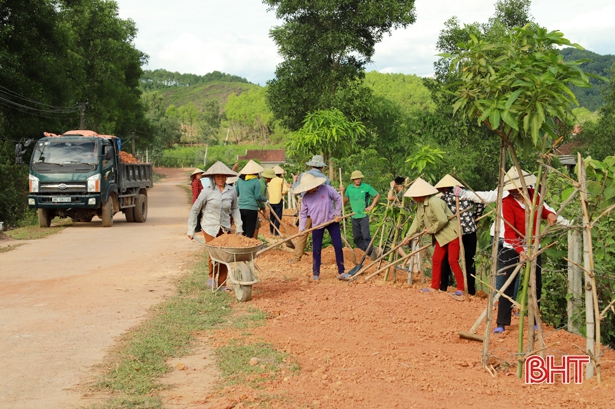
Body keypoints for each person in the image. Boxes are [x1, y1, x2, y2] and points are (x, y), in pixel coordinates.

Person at [491, 168, 557, 334]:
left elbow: (544, 211)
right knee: (508, 284)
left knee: (536, 284)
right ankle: (502, 322)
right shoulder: (507, 203)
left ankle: (535, 319)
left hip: (534, 246)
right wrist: (520, 250)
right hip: (512, 247)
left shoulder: (535, 196)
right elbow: (510, 231)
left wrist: (550, 214)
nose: (512, 191)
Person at [401, 177, 465, 300]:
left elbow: (443, 219)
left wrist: (430, 230)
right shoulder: (420, 206)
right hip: (441, 237)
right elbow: (417, 222)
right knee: (436, 259)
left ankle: (461, 289)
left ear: (421, 194)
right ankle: (434, 287)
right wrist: (407, 237)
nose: (413, 198)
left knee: (453, 261)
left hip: (451, 234)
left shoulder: (434, 202)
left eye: (414, 195)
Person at [187, 161, 243, 289]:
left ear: (226, 177)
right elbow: (195, 209)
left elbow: (235, 209)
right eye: (218, 176)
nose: (221, 179)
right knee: (214, 254)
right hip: (209, 227)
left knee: (224, 254)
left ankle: (222, 284)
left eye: (223, 176)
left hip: (224, 228)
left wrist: (239, 227)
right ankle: (211, 277)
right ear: (213, 177)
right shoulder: (207, 192)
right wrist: (191, 229)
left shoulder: (231, 191)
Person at [434, 174, 485, 295]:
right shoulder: (466, 194)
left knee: (448, 259)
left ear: (444, 188)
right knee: (469, 260)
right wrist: (476, 215)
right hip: (469, 229)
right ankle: (471, 290)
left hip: (453, 232)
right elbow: (481, 201)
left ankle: (443, 286)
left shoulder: (443, 198)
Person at [294, 173, 344, 280]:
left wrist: (337, 214)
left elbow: (338, 198)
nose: (310, 190)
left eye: (311, 187)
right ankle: (315, 273)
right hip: (317, 224)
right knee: (316, 249)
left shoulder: (326, 189)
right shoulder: (306, 197)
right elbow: (303, 214)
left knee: (338, 246)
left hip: (332, 221)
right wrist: (301, 229)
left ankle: (341, 271)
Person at [289, 155, 332, 263]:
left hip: (307, 211)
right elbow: (329, 197)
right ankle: (317, 259)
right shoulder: (326, 179)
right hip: (321, 212)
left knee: (302, 234)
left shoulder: (304, 175)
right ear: (322, 167)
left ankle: (296, 259)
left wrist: (295, 181)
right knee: (318, 235)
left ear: (311, 165)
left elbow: (296, 190)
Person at [341, 170, 380, 259]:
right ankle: (362, 254)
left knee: (366, 236)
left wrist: (371, 207)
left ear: (361, 178)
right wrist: (342, 192)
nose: (358, 180)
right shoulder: (350, 188)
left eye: (359, 178)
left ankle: (370, 254)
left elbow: (377, 195)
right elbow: (344, 201)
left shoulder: (366, 187)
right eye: (356, 179)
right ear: (353, 180)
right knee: (357, 238)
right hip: (354, 216)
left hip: (363, 215)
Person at [235, 160, 267, 238]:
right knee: (250, 231)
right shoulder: (256, 181)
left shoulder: (239, 180)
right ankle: (248, 246)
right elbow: (257, 197)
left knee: (243, 229)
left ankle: (242, 245)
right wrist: (265, 199)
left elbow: (236, 193)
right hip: (251, 208)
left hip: (241, 207)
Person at [262, 168, 287, 235]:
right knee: (278, 217)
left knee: (272, 217)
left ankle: (271, 231)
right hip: (278, 200)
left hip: (271, 201)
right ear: (280, 174)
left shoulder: (270, 180)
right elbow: (286, 190)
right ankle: (276, 232)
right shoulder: (281, 180)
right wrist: (282, 193)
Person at [190, 168, 205, 233]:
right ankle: (197, 228)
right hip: (197, 200)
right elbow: (196, 193)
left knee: (199, 214)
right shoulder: (196, 182)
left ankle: (198, 227)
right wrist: (197, 202)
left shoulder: (199, 181)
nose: (200, 175)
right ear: (196, 175)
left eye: (201, 174)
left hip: (199, 200)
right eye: (199, 174)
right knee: (197, 215)